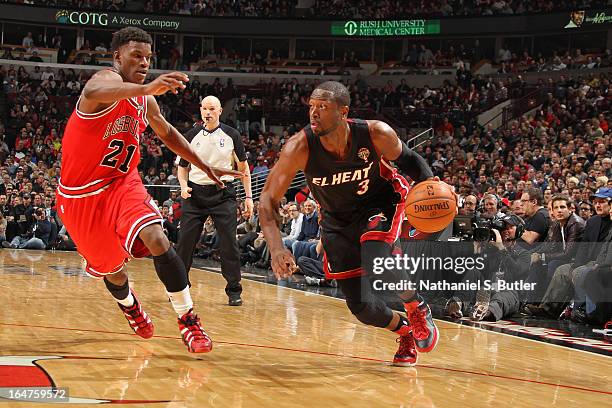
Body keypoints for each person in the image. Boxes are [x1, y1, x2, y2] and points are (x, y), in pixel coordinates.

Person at [56, 27, 241, 353]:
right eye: (136, 56)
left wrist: (203, 164)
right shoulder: (102, 82)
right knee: (112, 270)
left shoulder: (145, 99)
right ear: (117, 57)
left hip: (121, 183)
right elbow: (99, 88)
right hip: (79, 196)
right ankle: (129, 304)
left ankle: (189, 321)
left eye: (148, 58)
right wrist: (146, 86)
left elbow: (168, 133)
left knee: (157, 237)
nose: (144, 62)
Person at [259, 81, 443, 366]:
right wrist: (275, 248)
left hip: (381, 202)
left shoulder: (374, 133)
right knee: (362, 308)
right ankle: (406, 330)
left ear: (343, 112)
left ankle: (415, 305)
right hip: (336, 220)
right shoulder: (299, 147)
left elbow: (410, 160)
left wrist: (433, 187)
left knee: (375, 253)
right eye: (311, 106)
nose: (314, 113)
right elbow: (267, 201)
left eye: (322, 107)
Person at [176, 95, 253, 306]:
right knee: (185, 243)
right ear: (200, 111)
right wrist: (183, 187)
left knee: (229, 244)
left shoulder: (231, 135)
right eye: (204, 109)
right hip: (195, 194)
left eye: (212, 109)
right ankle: (180, 288)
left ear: (220, 111)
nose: (208, 113)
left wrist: (248, 198)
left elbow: (243, 169)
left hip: (223, 194)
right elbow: (182, 168)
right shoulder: (191, 135)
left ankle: (234, 290)